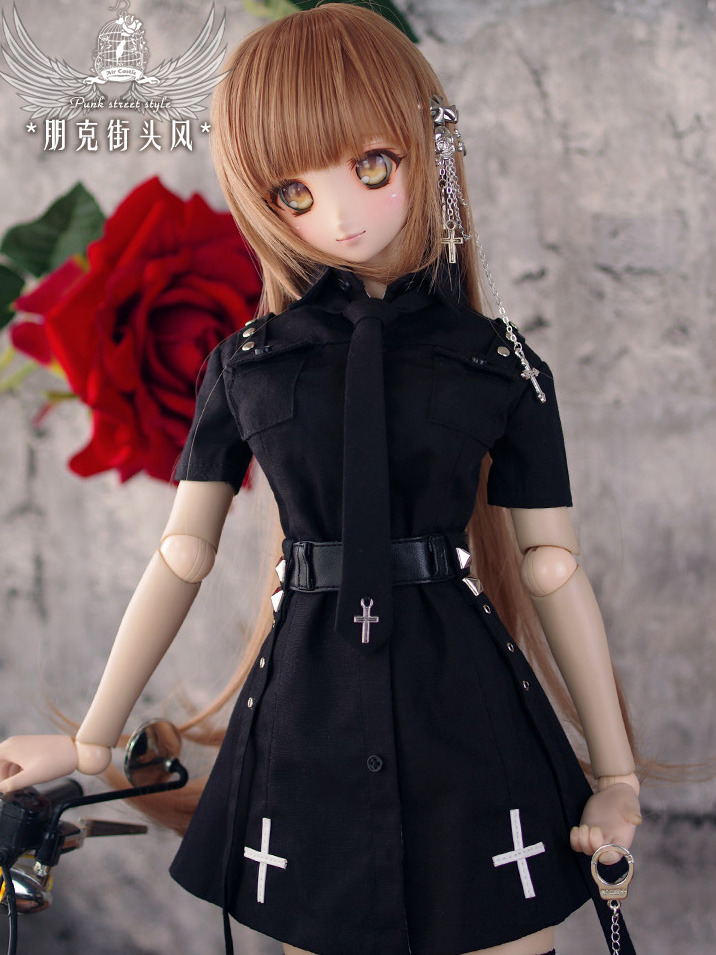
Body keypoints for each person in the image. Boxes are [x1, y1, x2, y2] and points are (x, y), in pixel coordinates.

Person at [0, 6, 643, 955]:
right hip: (309, 715)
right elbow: (181, 554)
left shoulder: (498, 362)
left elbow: (552, 565)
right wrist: (93, 740)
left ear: (431, 148)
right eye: (295, 192)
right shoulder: (248, 365)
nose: (340, 215)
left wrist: (617, 778)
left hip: (467, 712)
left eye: (372, 166)